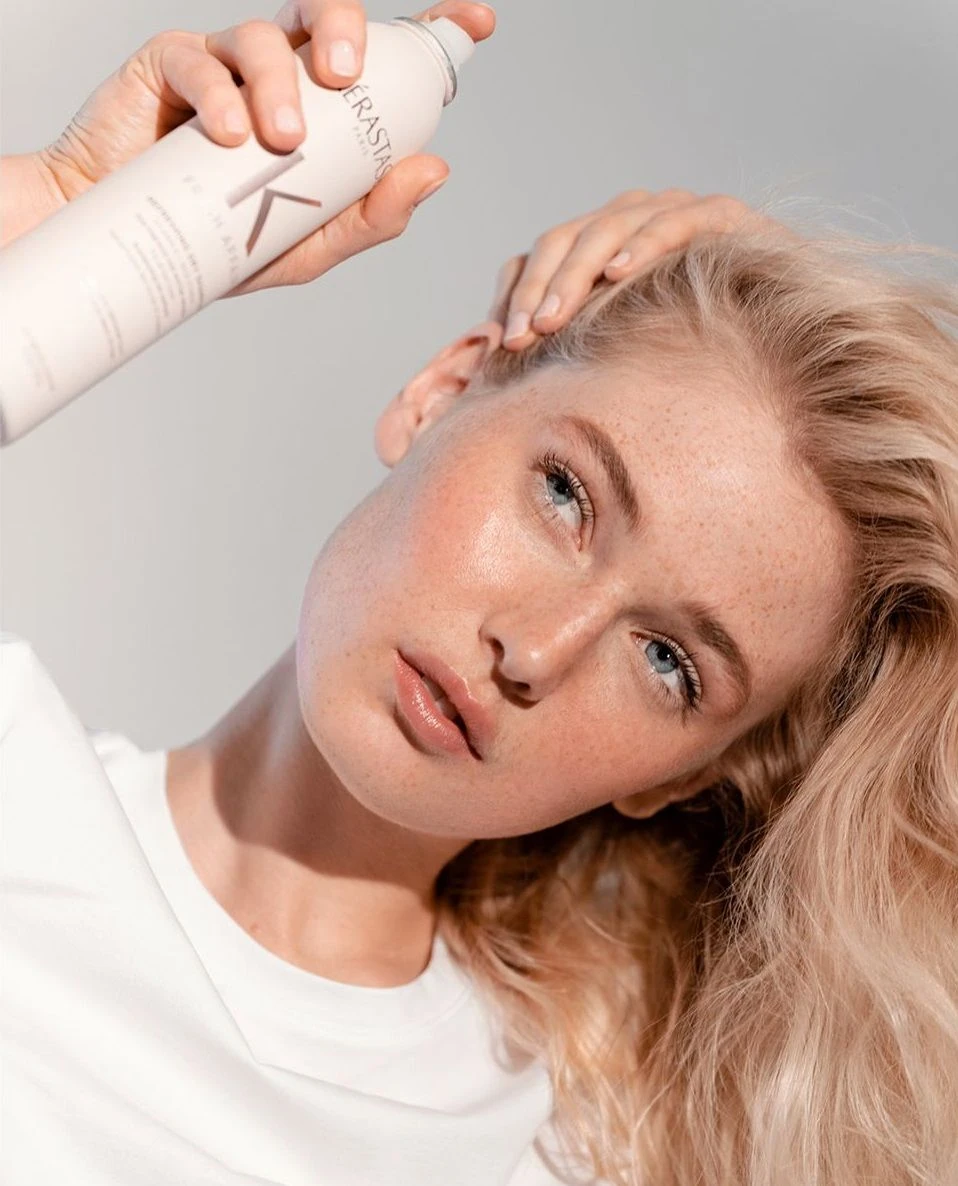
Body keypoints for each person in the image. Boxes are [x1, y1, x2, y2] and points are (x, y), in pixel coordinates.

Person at [2, 3, 957, 1185]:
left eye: (669, 662)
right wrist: (51, 212)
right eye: (567, 494)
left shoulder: (576, 1154)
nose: (536, 651)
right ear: (443, 391)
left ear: (679, 777)